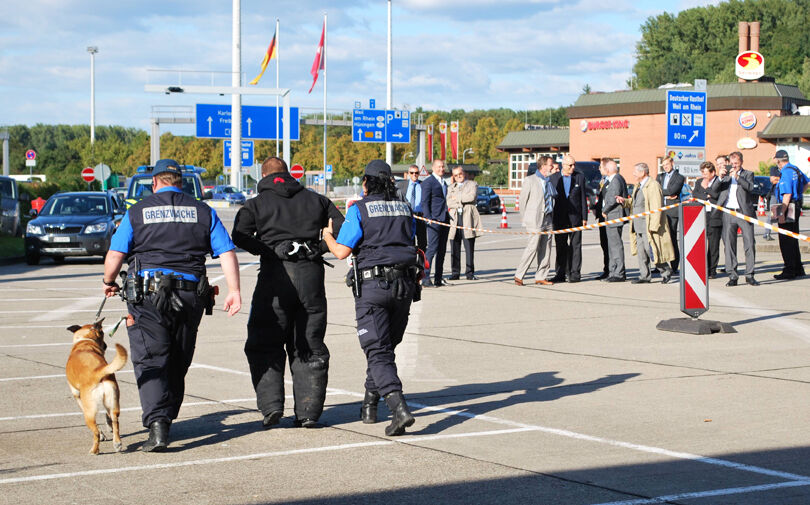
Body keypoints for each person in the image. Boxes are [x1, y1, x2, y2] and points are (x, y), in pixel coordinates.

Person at [102, 159, 242, 452]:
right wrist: (235, 291)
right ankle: (165, 417)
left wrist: (108, 280)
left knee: (151, 357)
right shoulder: (203, 211)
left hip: (148, 296)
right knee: (179, 356)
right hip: (190, 296)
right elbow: (227, 252)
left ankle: (158, 424)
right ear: (181, 182)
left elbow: (116, 253)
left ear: (154, 183)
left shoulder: (137, 211)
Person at [231, 156, 345, 429]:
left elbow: (239, 235)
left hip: (275, 276)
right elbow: (343, 228)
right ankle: (308, 412)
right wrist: (318, 247)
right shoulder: (317, 200)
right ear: (288, 174)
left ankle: (271, 407)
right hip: (311, 276)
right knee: (309, 343)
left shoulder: (256, 204)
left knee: (264, 341)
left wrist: (269, 249)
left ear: (264, 176)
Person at [321, 159, 420, 437]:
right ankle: (369, 404)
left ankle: (398, 408)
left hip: (373, 287)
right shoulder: (405, 208)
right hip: (404, 285)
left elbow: (341, 251)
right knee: (385, 348)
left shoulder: (359, 209)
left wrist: (327, 237)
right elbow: (412, 240)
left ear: (366, 182)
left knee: (377, 351)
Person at [624, 162, 675, 284]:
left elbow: (656, 207)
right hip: (638, 225)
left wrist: (654, 226)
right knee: (641, 252)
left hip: (648, 226)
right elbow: (635, 203)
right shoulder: (639, 186)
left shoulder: (653, 186)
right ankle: (644, 276)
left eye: (635, 172)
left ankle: (666, 271)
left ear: (643, 172)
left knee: (651, 250)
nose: (633, 174)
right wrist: (624, 201)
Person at [718, 151, 758, 286]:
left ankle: (749, 274)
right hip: (728, 212)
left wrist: (738, 177)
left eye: (736, 163)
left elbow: (750, 187)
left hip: (744, 212)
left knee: (749, 243)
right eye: (732, 163)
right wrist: (720, 177)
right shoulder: (726, 176)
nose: (734, 166)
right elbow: (715, 189)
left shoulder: (748, 174)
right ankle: (732, 275)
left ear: (741, 162)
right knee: (729, 245)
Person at [514, 155, 555, 286]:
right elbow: (522, 201)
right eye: (550, 165)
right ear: (543, 166)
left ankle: (541, 276)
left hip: (548, 218)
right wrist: (525, 219)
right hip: (535, 220)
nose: (552, 167)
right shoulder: (530, 180)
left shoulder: (549, 181)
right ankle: (519, 275)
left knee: (546, 249)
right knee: (532, 247)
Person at [550, 155, 588, 283]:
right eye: (570, 165)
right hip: (559, 218)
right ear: (563, 165)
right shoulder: (554, 178)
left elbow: (583, 198)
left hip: (575, 218)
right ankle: (560, 273)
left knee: (575, 246)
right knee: (560, 246)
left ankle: (575, 273)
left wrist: (584, 217)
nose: (573, 167)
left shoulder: (579, 177)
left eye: (574, 165)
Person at [773, 150, 808, 279]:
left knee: (785, 240)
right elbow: (807, 182)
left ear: (778, 160)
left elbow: (787, 194)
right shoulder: (795, 169)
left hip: (787, 206)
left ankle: (789, 270)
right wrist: (798, 194)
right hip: (796, 205)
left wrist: (781, 212)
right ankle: (798, 268)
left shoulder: (786, 172)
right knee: (793, 238)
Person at [447, 166, 482, 280]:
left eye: (460, 174)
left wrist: (456, 198)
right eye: (456, 175)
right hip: (455, 219)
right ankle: (455, 273)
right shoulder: (451, 187)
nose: (458, 177)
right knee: (454, 247)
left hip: (468, 219)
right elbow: (449, 202)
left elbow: (471, 197)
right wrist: (460, 199)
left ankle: (470, 273)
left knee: (469, 248)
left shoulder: (472, 184)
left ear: (464, 173)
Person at [420, 159, 450, 287]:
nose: (441, 169)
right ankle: (425, 278)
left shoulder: (444, 182)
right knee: (432, 249)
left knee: (442, 250)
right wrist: (428, 218)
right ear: (433, 168)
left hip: (445, 219)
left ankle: (439, 278)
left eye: (443, 167)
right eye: (439, 167)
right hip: (434, 220)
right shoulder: (428, 182)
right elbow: (424, 202)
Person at [692, 161, 723, 279]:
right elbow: (695, 194)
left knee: (713, 245)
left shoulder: (719, 181)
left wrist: (707, 189)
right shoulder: (699, 182)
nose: (703, 176)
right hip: (702, 215)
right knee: (700, 243)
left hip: (715, 216)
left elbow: (717, 195)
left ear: (712, 173)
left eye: (706, 173)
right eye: (702, 173)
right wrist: (706, 196)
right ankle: (702, 268)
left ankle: (712, 270)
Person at [656, 157, 685, 273]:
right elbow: (656, 190)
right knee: (660, 238)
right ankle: (661, 265)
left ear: (672, 163)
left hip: (672, 212)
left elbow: (672, 191)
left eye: (667, 164)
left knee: (672, 238)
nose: (665, 167)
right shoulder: (660, 176)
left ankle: (674, 266)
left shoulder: (679, 177)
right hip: (660, 210)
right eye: (663, 165)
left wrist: (662, 192)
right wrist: (666, 193)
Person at [601, 159, 628, 282]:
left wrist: (604, 210)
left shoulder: (616, 179)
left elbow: (613, 198)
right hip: (611, 216)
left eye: (602, 167)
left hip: (614, 216)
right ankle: (613, 272)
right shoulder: (613, 179)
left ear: (607, 169)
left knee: (615, 246)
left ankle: (619, 273)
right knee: (611, 246)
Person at [397, 164, 427, 252]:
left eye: (416, 173)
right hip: (408, 216)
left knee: (422, 243)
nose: (414, 174)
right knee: (410, 241)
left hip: (420, 217)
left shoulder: (423, 185)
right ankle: (411, 259)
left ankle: (421, 260)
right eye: (412, 172)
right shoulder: (402, 185)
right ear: (408, 173)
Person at [593, 158, 611, 280]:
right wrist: (596, 208)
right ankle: (607, 268)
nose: (599, 169)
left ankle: (611, 269)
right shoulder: (602, 180)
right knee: (604, 244)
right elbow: (601, 198)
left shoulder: (612, 181)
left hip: (609, 216)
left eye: (600, 167)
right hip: (601, 217)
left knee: (610, 245)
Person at [762, 166, 780, 241]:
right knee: (772, 215)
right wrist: (781, 179)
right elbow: (772, 180)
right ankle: (766, 234)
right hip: (775, 195)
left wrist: (778, 179)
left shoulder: (785, 169)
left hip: (783, 195)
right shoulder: (774, 169)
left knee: (781, 216)